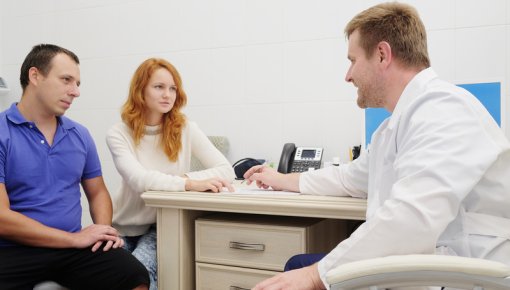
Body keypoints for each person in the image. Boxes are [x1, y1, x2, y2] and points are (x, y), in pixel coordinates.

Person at [246, 2, 510, 290]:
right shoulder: (393, 127)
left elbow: (411, 219)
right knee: (298, 265)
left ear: (382, 54)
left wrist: (315, 275)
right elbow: (347, 178)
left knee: (302, 270)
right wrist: (280, 179)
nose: (348, 76)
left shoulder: (444, 107)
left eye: (352, 60)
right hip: (422, 267)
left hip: (459, 276)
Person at [0, 44, 149, 290]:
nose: (75, 91)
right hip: (12, 251)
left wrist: (103, 232)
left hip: (72, 251)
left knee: (133, 275)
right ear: (35, 76)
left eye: (77, 83)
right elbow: (2, 218)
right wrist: (74, 238)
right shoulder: (3, 132)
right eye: (67, 80)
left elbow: (98, 191)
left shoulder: (79, 134)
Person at [106, 58, 236, 289]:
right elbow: (140, 180)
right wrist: (188, 184)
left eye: (173, 88)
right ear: (140, 90)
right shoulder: (119, 133)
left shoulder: (185, 128)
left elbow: (226, 169)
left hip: (164, 225)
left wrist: (188, 180)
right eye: (159, 87)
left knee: (137, 274)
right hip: (121, 228)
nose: (168, 94)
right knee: (103, 277)